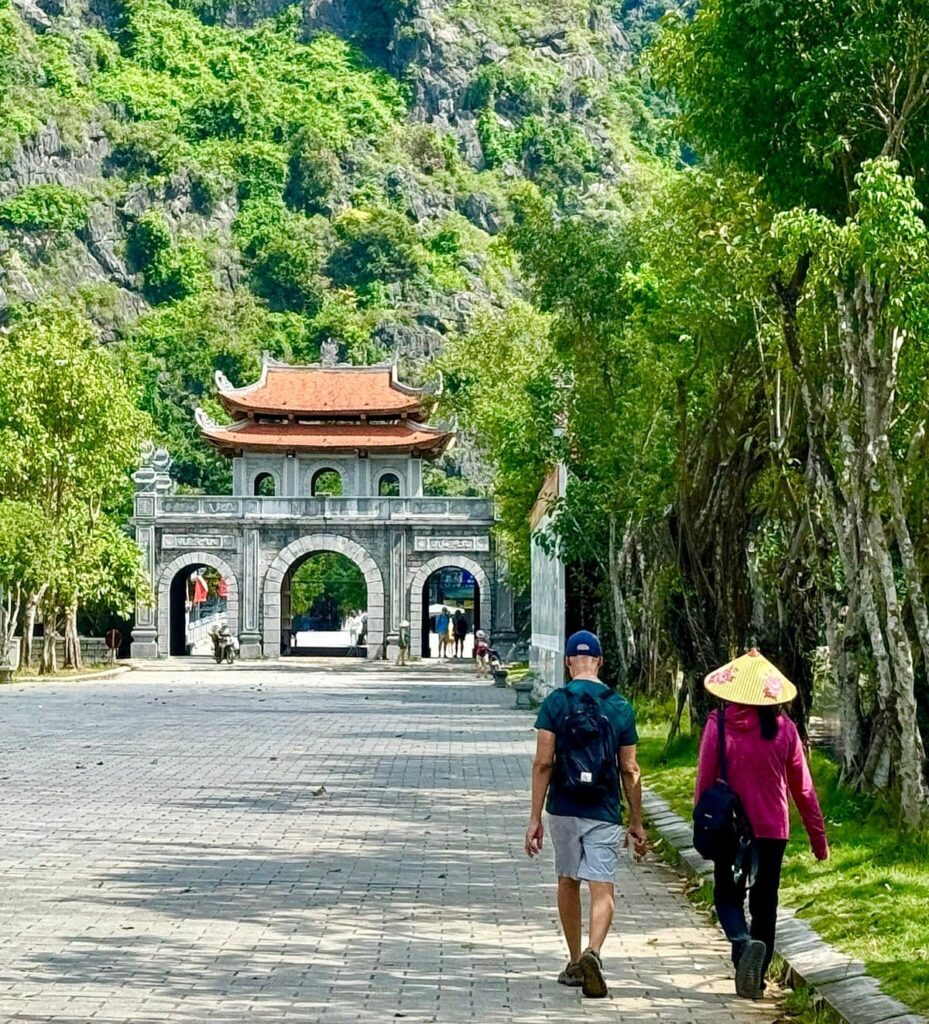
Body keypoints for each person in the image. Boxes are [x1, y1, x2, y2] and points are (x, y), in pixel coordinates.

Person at [695, 649, 829, 1001]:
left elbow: (704, 781)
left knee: (727, 895)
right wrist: (818, 839)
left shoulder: (718, 724)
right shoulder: (785, 729)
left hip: (730, 829)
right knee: (765, 901)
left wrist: (701, 825)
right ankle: (756, 974)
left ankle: (742, 944)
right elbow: (803, 788)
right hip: (772, 830)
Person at [525, 630, 646, 999]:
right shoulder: (620, 705)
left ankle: (576, 960)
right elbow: (630, 769)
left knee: (567, 880)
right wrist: (637, 821)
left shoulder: (555, 703)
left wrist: (534, 819)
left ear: (567, 662)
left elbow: (544, 763)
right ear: (600, 662)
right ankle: (595, 951)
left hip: (563, 807)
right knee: (602, 884)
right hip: (605, 808)